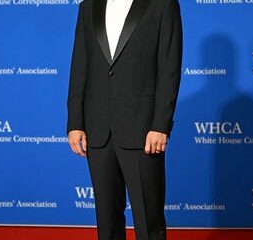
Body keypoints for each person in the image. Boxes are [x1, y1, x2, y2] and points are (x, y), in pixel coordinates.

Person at [66, 0, 183, 239]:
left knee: (149, 222)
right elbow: (79, 65)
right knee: (107, 223)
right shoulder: (88, 6)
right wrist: (75, 121)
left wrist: (160, 125)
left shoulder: (162, 5)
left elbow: (169, 68)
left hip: (143, 130)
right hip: (98, 128)